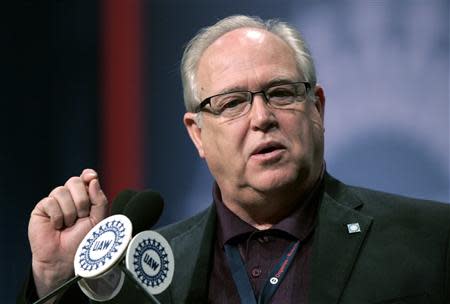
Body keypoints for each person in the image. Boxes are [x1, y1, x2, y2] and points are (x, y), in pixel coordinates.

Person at [19, 15, 450, 304]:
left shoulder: (433, 240)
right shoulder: (136, 275)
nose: (262, 118)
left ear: (316, 109)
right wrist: (58, 284)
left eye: (281, 93)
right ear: (197, 133)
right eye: (231, 103)